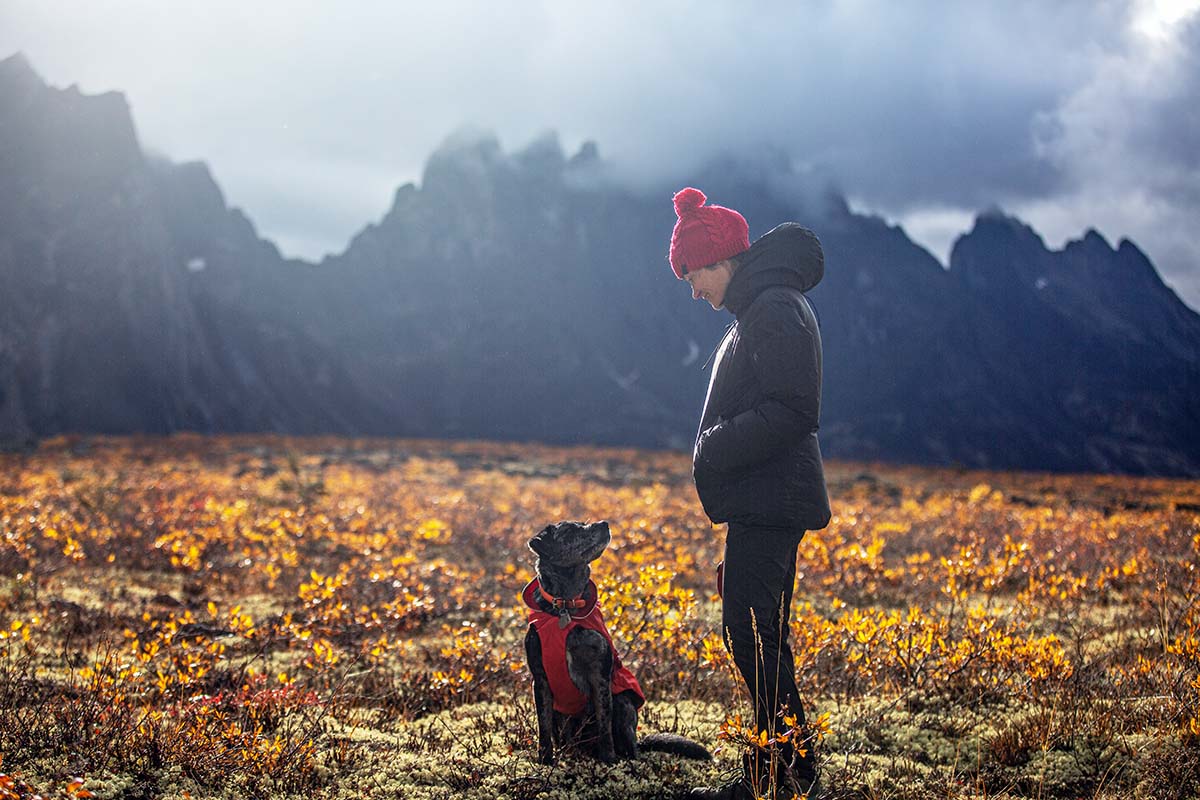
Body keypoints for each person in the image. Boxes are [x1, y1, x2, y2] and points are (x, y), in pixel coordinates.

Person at [668, 187, 832, 800]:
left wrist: (716, 447)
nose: (693, 289)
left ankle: (781, 773)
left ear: (719, 261)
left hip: (772, 502)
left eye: (694, 274)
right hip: (765, 501)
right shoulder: (763, 308)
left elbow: (795, 408)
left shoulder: (774, 309)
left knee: (755, 631)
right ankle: (784, 768)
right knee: (756, 631)